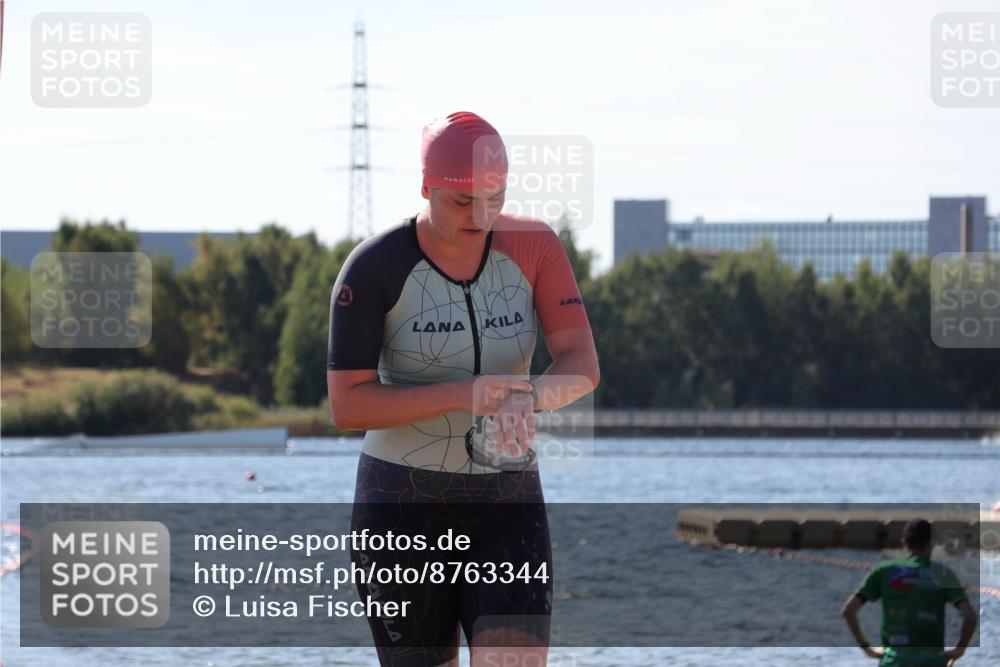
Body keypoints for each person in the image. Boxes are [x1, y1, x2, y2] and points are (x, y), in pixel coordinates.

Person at [327, 111, 600, 667]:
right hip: (401, 507)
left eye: (494, 198)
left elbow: (582, 363)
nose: (481, 216)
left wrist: (532, 396)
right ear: (425, 187)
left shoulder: (535, 247)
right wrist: (463, 393)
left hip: (507, 507)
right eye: (461, 201)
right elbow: (347, 403)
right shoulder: (375, 267)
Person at [841, 518, 978, 667]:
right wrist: (960, 649)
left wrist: (866, 648)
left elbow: (848, 611)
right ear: (932, 543)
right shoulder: (943, 574)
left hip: (894, 660)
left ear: (904, 542)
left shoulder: (884, 570)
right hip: (933, 660)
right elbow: (970, 617)